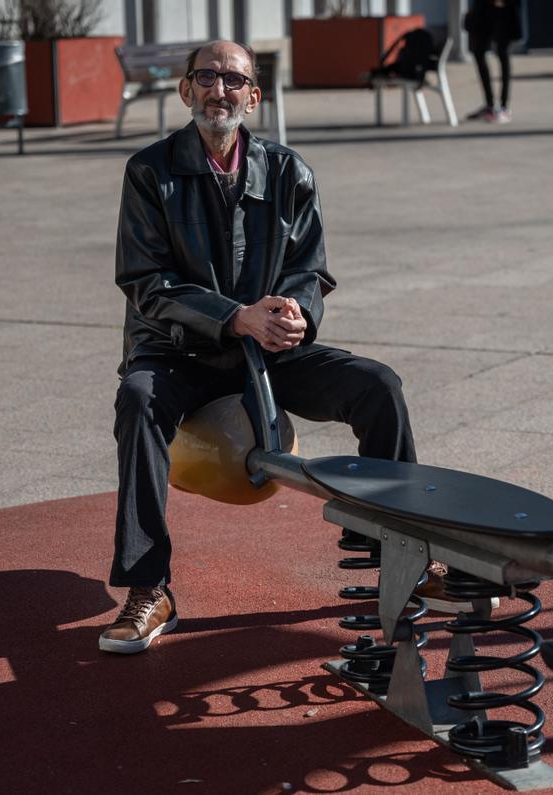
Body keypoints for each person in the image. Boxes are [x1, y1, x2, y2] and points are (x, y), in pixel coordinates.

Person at [101, 40, 421, 654]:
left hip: (266, 346)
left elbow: (311, 270)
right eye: (207, 77)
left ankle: (403, 554)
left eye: (233, 79)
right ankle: (149, 589)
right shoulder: (149, 171)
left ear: (255, 96)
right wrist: (234, 317)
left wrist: (299, 312)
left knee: (379, 386)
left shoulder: (289, 171)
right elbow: (145, 282)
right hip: (179, 351)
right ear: (185, 91)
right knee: (137, 401)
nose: (219, 90)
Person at [465, 0, 523, 123]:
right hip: (483, 8)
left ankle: (504, 107)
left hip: (505, 9)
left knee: (503, 53)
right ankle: (490, 105)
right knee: (478, 52)